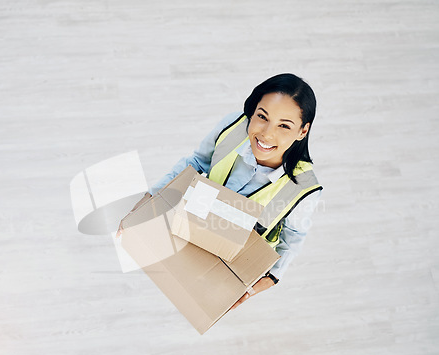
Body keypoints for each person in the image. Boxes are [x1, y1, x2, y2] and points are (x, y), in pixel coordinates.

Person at [117, 73, 323, 310]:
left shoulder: (305, 189)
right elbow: (196, 162)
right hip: (194, 224)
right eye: (262, 117)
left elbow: (294, 236)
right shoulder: (232, 127)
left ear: (302, 131)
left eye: (284, 125)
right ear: (252, 111)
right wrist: (147, 201)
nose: (266, 133)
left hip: (233, 256)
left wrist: (269, 280)